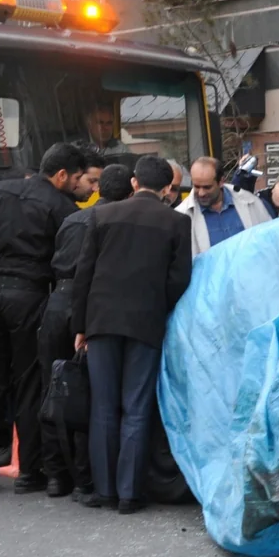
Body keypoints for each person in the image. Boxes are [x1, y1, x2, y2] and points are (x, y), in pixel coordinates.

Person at [0, 142, 85, 495]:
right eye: (76, 179)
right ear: (60, 175)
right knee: (29, 384)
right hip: (29, 297)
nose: (79, 186)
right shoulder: (63, 208)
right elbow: (66, 261)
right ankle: (29, 470)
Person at [71, 155, 192, 513]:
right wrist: (159, 307)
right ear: (168, 188)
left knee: (103, 407)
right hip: (147, 323)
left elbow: (84, 275)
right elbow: (179, 279)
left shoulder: (102, 215)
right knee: (136, 408)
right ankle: (129, 494)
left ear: (135, 182)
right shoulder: (177, 223)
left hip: (102, 321)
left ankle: (105, 490)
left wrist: (81, 326)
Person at [38, 163, 131, 499]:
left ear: (97, 189)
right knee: (88, 392)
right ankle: (84, 477)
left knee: (53, 388)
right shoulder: (117, 223)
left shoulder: (72, 219)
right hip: (92, 306)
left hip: (57, 302)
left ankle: (54, 475)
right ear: (131, 190)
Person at [176, 157, 271, 257]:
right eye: (196, 186)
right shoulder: (181, 215)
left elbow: (269, 241)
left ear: (221, 182)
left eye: (207, 187)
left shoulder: (251, 202)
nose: (201, 193)